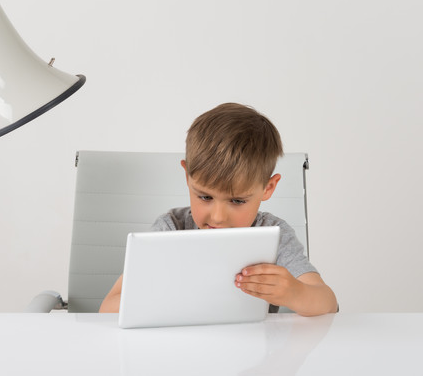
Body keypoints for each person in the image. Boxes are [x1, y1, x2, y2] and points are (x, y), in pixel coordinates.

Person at [99, 103, 337, 316]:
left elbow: (328, 302)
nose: (218, 217)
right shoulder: (170, 229)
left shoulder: (274, 235)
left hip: (255, 355)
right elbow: (108, 306)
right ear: (187, 176)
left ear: (268, 187)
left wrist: (294, 293)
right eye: (204, 196)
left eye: (237, 201)